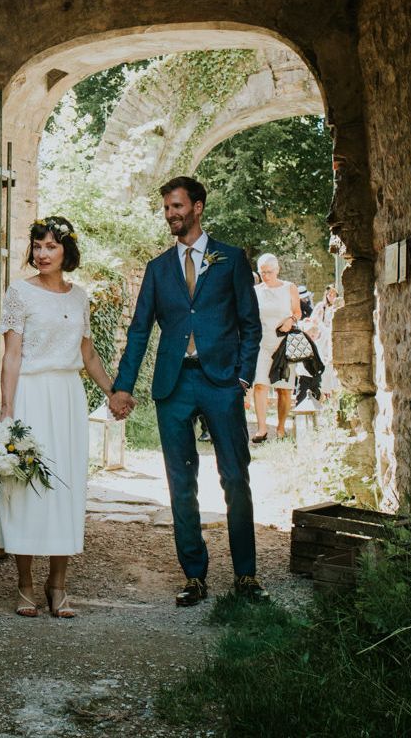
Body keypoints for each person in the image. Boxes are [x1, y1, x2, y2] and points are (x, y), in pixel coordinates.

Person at [109, 177, 268, 606]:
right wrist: (123, 387)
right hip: (174, 383)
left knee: (234, 477)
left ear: (197, 207)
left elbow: (250, 324)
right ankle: (194, 576)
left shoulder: (231, 259)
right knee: (181, 481)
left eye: (177, 206)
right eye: (166, 208)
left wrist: (242, 378)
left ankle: (246, 575)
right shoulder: (159, 268)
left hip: (221, 382)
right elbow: (139, 330)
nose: (171, 214)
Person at [0, 215, 114, 619]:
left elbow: (88, 354)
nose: (42, 253)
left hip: (67, 398)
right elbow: (12, 355)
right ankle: (25, 584)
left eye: (51, 246)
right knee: (25, 485)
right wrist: (7, 409)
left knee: (66, 487)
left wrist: (113, 392)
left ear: (67, 251)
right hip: (31, 394)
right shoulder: (19, 292)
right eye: (37, 246)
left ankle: (58, 585)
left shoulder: (79, 297)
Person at [250, 253, 301, 444]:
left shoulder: (289, 288)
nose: (266, 276)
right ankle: (262, 428)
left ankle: (280, 427)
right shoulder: (255, 291)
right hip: (262, 343)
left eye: (269, 272)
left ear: (277, 269)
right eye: (262, 272)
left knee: (284, 390)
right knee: (260, 385)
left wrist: (291, 320)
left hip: (284, 343)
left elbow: (297, 312)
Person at [306, 285, 341, 402]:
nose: (331, 296)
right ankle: (321, 394)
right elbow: (313, 321)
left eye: (333, 294)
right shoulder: (320, 306)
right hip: (320, 339)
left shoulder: (337, 307)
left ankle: (331, 394)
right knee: (321, 364)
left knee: (330, 367)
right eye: (329, 294)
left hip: (331, 339)